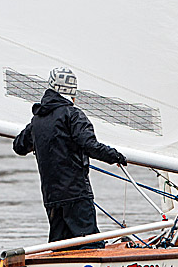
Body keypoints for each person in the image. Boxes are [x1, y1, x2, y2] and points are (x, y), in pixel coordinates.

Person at [13, 67, 128, 246]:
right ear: (73, 92)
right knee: (89, 243)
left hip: (52, 198)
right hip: (76, 194)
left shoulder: (37, 120)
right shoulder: (73, 115)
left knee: (60, 246)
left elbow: (19, 146)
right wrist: (115, 156)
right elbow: (90, 145)